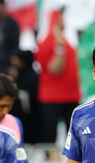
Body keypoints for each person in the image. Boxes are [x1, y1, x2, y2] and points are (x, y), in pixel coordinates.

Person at [34, 9, 80, 145]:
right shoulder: (47, 43)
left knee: (74, 137)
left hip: (70, 95)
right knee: (49, 136)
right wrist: (60, 48)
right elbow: (54, 69)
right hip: (53, 97)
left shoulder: (64, 39)